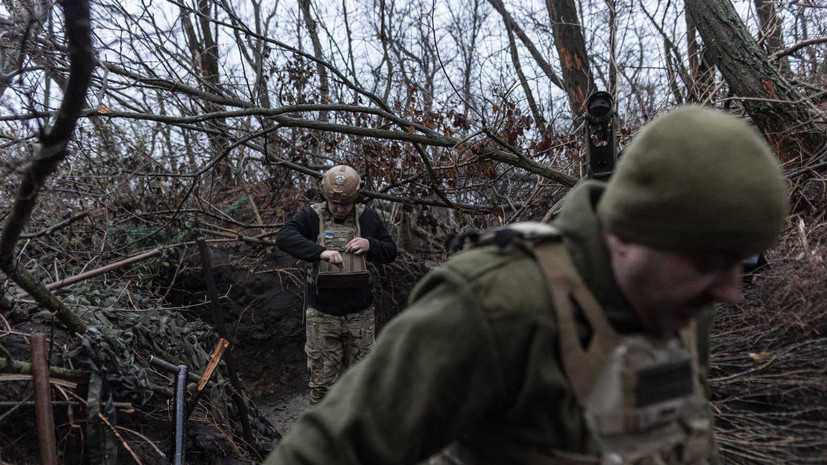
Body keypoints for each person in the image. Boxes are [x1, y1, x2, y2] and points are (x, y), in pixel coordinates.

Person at [265, 106, 788, 464]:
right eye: (708, 261)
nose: (730, 291)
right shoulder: (496, 305)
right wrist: (319, 252)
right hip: (327, 311)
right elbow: (325, 450)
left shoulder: (686, 304)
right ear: (631, 233)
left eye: (744, 260)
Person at [276, 164, 397, 404]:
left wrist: (370, 244)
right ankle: (322, 438)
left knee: (365, 384)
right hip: (322, 316)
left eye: (345, 204)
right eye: (334, 204)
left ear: (355, 199)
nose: (340, 209)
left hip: (360, 314)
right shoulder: (312, 216)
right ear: (325, 198)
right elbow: (284, 237)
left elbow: (391, 251)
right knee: (322, 387)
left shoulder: (368, 217)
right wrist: (320, 252)